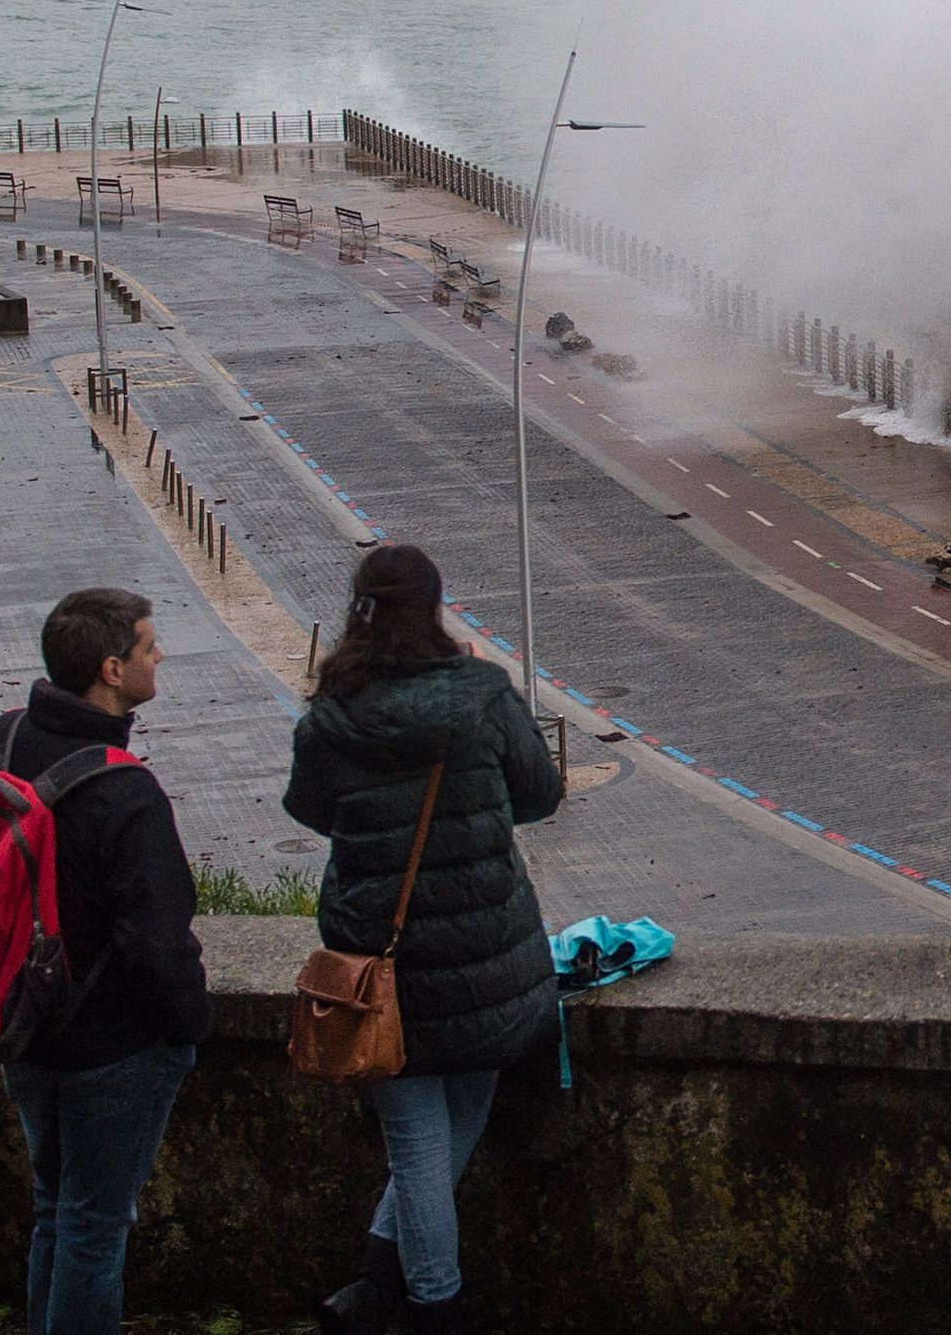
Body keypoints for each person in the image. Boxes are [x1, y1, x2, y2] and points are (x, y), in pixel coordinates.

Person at [286, 545, 563, 1335]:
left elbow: (310, 810)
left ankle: (377, 1280)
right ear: (435, 608)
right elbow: (540, 796)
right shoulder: (480, 694)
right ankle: (433, 1306)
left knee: (418, 1142)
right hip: (485, 957)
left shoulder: (334, 712)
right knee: (450, 1125)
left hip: (380, 961)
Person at [0, 589, 214, 1335]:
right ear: (112, 669)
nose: (161, 656)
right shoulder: (124, 789)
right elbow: (159, 941)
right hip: (110, 1045)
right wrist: (190, 1029)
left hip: (20, 1023)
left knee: (54, 1209)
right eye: (150, 647)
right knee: (95, 1227)